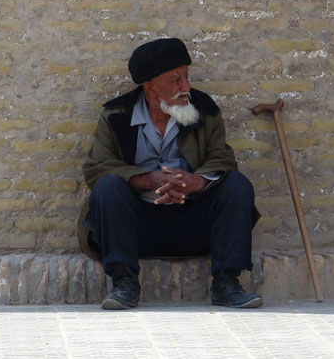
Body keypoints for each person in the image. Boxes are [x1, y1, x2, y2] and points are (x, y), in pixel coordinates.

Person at [77, 38, 262, 310]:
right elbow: (97, 167)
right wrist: (146, 179)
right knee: (106, 188)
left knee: (237, 185)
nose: (186, 86)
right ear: (149, 86)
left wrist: (195, 182)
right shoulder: (115, 115)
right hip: (137, 227)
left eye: (186, 76)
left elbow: (222, 159)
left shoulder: (205, 110)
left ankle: (226, 284)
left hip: (194, 222)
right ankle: (124, 284)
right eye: (175, 79)